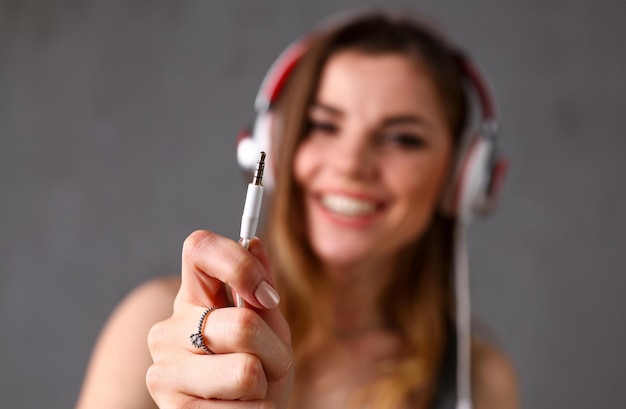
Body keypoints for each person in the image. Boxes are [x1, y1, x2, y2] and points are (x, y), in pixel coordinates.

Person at [76, 9, 518, 409]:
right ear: (273, 147)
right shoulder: (160, 326)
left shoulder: (477, 383)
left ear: (462, 177)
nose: (350, 165)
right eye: (322, 125)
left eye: (401, 138)